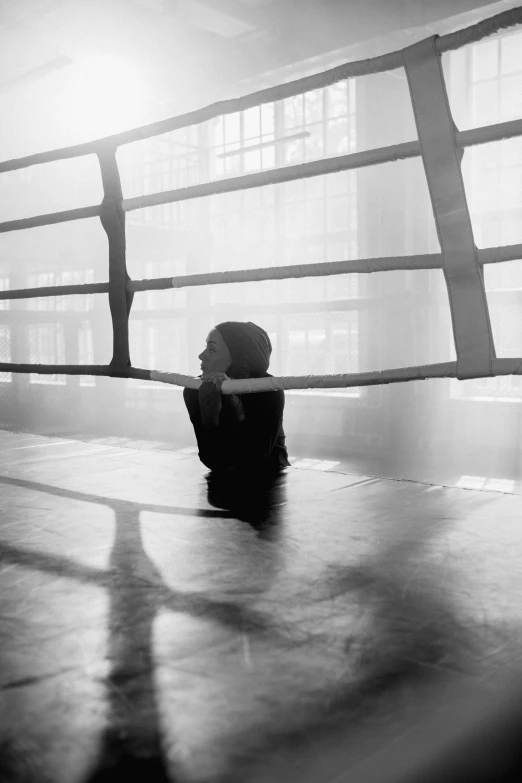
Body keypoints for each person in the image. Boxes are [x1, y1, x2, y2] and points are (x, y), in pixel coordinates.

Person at [183, 321, 290, 484]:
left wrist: (234, 407)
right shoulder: (194, 389)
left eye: (211, 349)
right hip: (224, 474)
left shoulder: (269, 388)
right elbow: (209, 459)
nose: (201, 355)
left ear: (237, 357)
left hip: (268, 476)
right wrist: (210, 419)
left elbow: (255, 460)